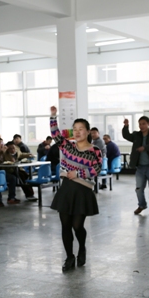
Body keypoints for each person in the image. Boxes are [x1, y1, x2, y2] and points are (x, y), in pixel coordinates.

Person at [49, 106, 102, 272]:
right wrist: (53, 116)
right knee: (65, 225)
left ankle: (82, 248)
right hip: (66, 190)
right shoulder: (68, 146)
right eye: (75, 129)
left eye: (81, 129)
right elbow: (55, 135)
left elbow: (97, 169)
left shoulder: (95, 151)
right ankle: (69, 257)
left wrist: (78, 173)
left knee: (77, 226)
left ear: (88, 131)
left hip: (82, 191)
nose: (77, 132)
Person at [122, 116, 149, 216]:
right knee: (139, 189)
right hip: (140, 167)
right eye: (140, 124)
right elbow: (126, 136)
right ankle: (142, 205)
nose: (141, 126)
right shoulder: (137, 135)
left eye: (144, 123)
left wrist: (145, 147)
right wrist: (126, 126)